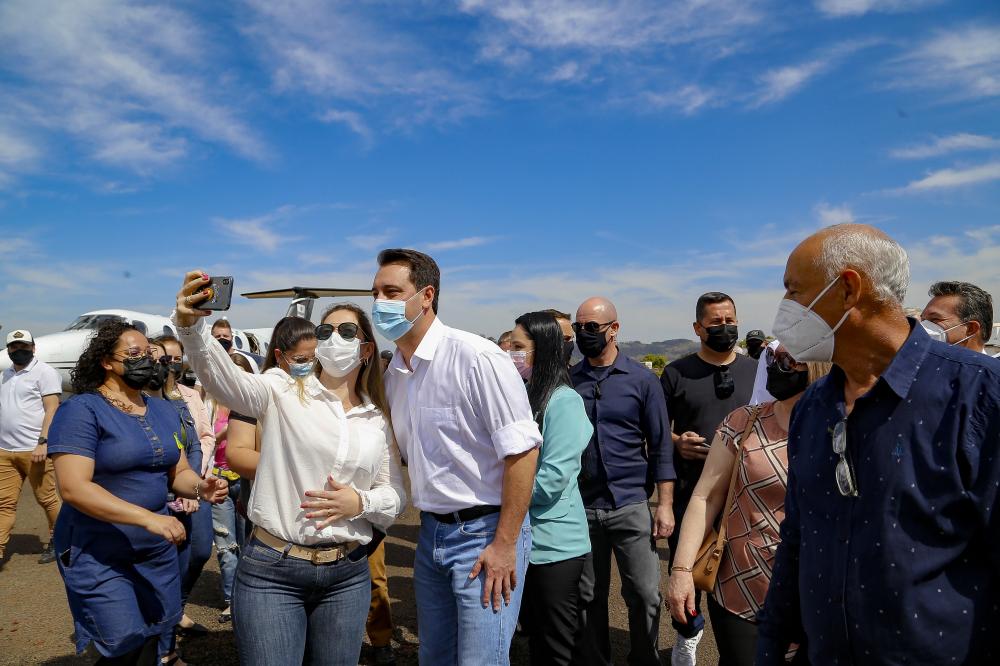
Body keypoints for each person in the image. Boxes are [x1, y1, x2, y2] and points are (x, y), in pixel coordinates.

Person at [756, 223, 1000, 664]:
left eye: (793, 290)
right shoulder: (813, 407)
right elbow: (796, 539)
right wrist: (771, 646)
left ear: (848, 289)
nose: (785, 307)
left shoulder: (979, 395)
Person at [174, 273, 407, 666]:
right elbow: (225, 380)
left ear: (366, 348)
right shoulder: (280, 386)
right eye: (325, 330)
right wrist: (193, 327)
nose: (334, 338)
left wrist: (360, 501)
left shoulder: (377, 418)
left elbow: (397, 494)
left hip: (346, 575)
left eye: (347, 331)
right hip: (274, 570)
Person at [373, 248, 541, 666]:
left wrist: (504, 544)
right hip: (431, 535)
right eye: (374, 293)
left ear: (426, 295)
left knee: (482, 660)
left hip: (485, 534)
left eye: (392, 292)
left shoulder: (477, 358)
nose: (379, 303)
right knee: (436, 656)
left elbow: (522, 453)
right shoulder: (395, 374)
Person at [46, 320, 227, 664]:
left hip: (155, 551)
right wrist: (147, 519)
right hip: (100, 551)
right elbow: (73, 488)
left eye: (148, 353)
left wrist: (201, 487)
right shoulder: (81, 410)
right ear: (106, 362)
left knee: (154, 638)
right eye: (133, 354)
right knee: (122, 644)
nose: (145, 360)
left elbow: (178, 472)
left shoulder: (163, 409)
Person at [666, 345, 830, 666]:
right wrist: (682, 571)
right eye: (772, 357)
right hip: (741, 587)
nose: (774, 366)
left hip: (817, 593)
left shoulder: (844, 428)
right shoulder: (744, 422)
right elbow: (706, 496)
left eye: (787, 360)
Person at [570, 297, 675, 666]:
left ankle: (645, 658)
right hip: (581, 507)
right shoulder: (569, 382)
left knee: (645, 593)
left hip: (630, 503)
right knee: (588, 595)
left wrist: (664, 504)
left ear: (614, 329)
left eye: (592, 327)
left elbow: (661, 445)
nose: (584, 334)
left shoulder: (643, 380)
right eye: (578, 327)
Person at [659, 292, 758, 664]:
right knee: (686, 573)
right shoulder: (676, 372)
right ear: (698, 327)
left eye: (729, 320)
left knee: (740, 574)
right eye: (715, 322)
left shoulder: (756, 370)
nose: (725, 328)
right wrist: (675, 442)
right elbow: (655, 429)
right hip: (692, 493)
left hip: (746, 497)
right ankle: (687, 636)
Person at [509, 311, 592, 666]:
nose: (510, 353)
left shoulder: (563, 402)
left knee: (555, 644)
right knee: (533, 637)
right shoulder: (523, 396)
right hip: (523, 540)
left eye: (517, 346)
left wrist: (499, 501)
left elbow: (553, 478)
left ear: (541, 350)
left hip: (554, 547)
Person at [149, 336, 217, 643]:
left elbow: (200, 439)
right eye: (164, 359)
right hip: (163, 494)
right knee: (167, 562)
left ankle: (176, 608)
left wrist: (192, 483)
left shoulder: (187, 398)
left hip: (193, 485)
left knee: (200, 550)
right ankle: (164, 637)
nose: (169, 365)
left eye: (174, 359)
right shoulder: (146, 403)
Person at [0, 329, 62, 569]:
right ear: (8, 350)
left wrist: (43, 441)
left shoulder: (45, 372)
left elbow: (52, 409)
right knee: (3, 503)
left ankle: (59, 540)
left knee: (46, 498)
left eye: (24, 346)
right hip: (5, 451)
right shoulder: (5, 375)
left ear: (33, 348)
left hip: (34, 449)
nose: (19, 350)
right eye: (14, 347)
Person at [207, 352, 254, 624]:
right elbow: (203, 442)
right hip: (219, 479)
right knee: (226, 545)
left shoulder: (251, 406)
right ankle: (230, 600)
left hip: (246, 480)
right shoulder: (209, 405)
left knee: (250, 541)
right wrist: (224, 432)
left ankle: (248, 595)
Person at [919, 280, 994, 354]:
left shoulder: (992, 366)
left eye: (934, 319)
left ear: (971, 329)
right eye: (922, 320)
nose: (921, 326)